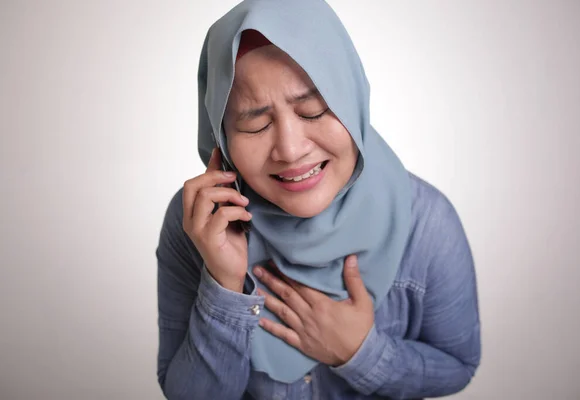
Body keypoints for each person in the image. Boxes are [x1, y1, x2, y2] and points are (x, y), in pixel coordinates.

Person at [156, 0, 481, 398]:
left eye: (313, 110)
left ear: (353, 101)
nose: (290, 151)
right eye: (255, 123)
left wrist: (362, 354)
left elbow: (458, 366)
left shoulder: (427, 222)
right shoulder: (198, 222)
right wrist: (223, 285)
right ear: (221, 137)